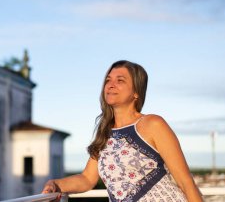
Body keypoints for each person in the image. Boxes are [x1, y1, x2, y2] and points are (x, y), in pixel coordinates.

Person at [42, 60, 203, 201]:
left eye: (120, 80)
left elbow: (185, 182)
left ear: (136, 92)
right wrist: (56, 184)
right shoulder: (105, 131)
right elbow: (87, 179)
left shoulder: (152, 124)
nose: (111, 85)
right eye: (108, 80)